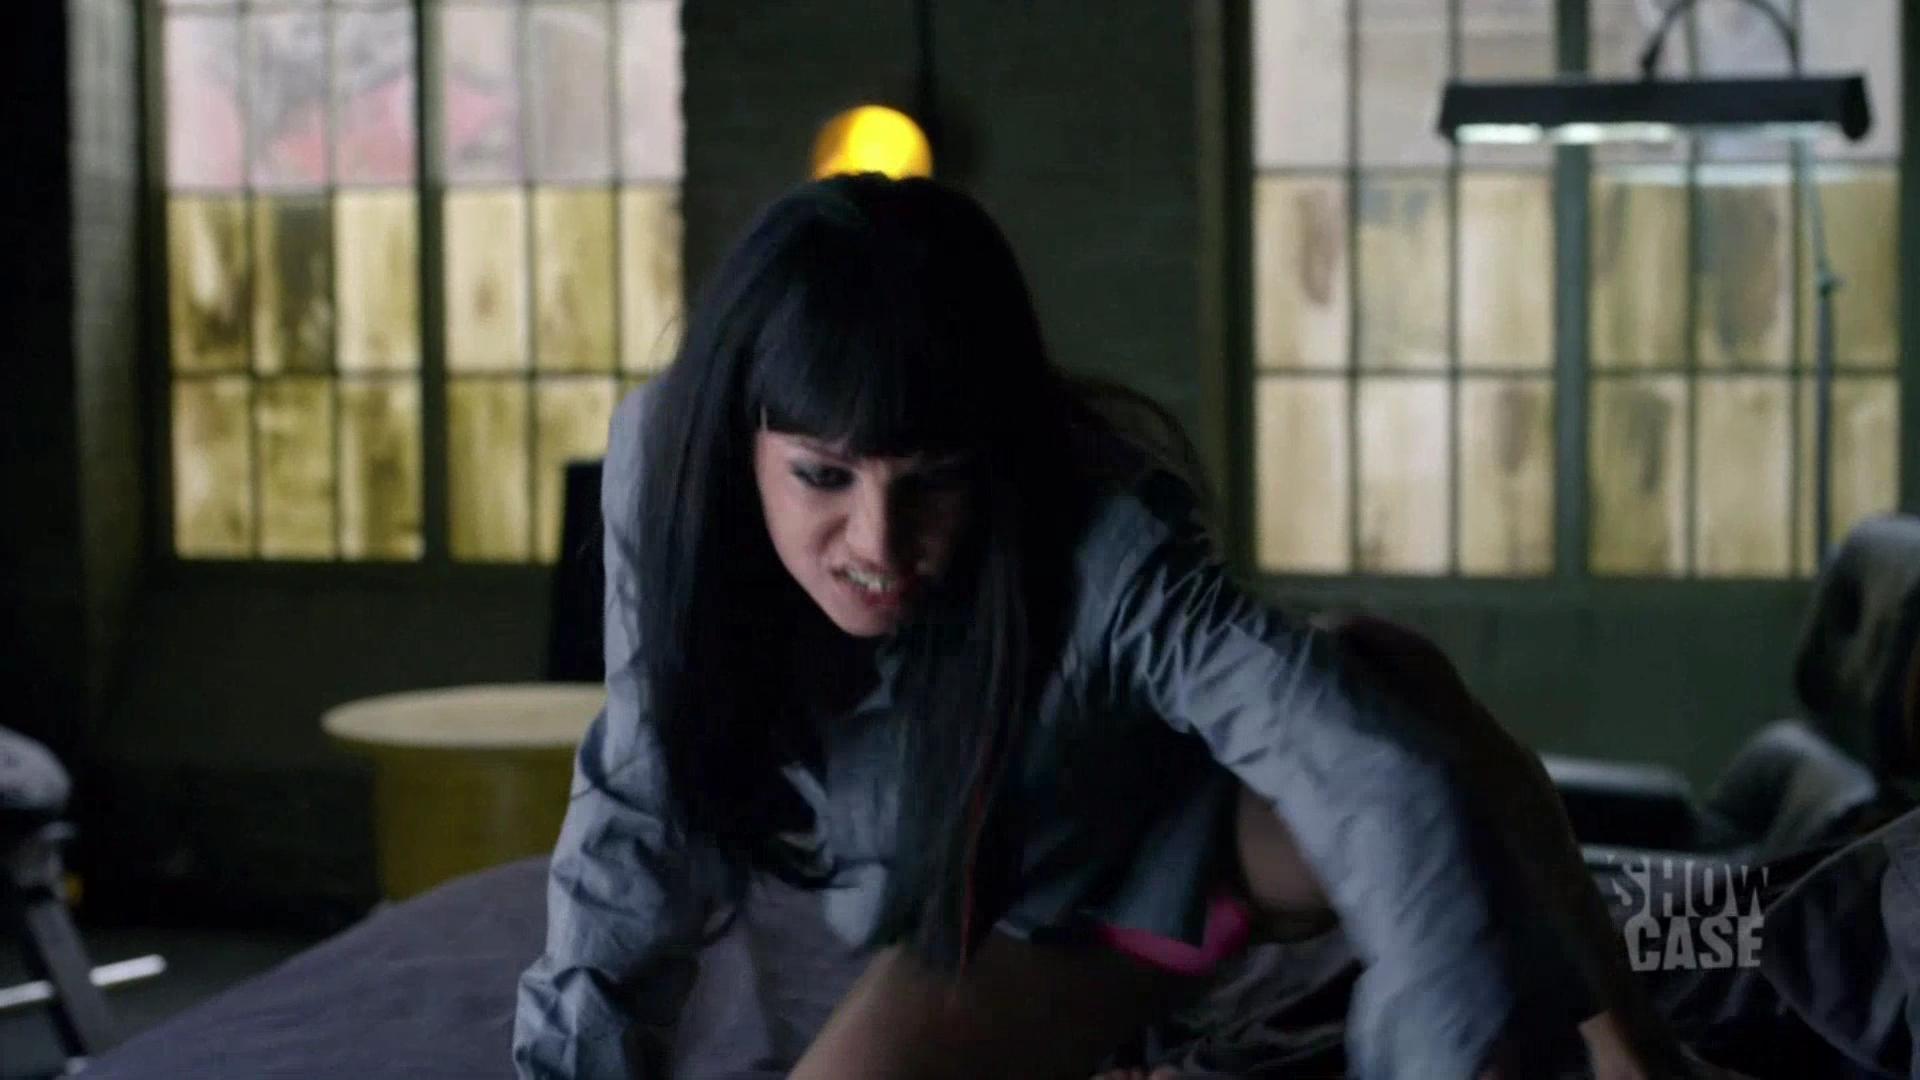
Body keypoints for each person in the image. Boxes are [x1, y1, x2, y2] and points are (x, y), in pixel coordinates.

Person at [512, 173, 1680, 1080]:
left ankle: (1635, 1043)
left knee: (1380, 680)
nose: (876, 541)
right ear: (743, 445)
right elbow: (640, 805)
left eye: (931, 483)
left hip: (1211, 837)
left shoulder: (1100, 530)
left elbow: (1368, 777)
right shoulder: (668, 476)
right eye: (823, 476)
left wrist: (1451, 1056)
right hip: (1035, 923)